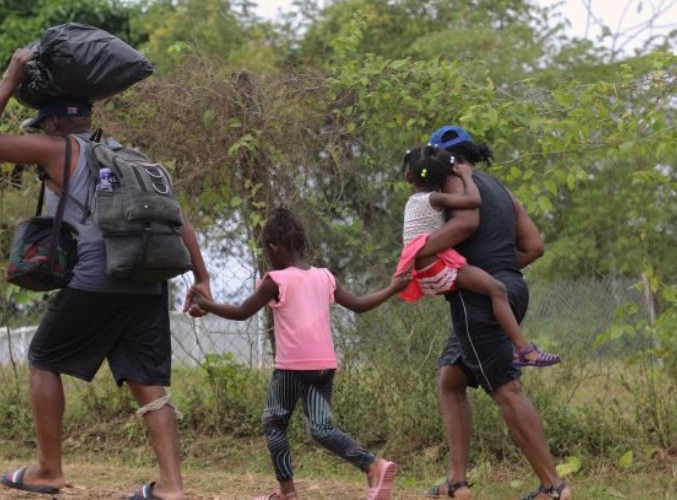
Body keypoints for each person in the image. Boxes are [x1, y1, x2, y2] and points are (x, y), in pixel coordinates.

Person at [0, 48, 211, 500]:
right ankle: (171, 486)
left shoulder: (62, 149)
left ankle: (49, 469)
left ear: (55, 124)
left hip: (101, 276)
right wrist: (203, 279)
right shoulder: (132, 157)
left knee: (43, 358)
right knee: (147, 381)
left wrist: (9, 77)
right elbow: (179, 220)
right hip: (150, 280)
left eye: (42, 126)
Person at [188, 208, 407, 500]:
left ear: (273, 248)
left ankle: (287, 492)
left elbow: (242, 312)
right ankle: (374, 465)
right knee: (321, 428)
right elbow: (360, 304)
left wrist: (206, 303)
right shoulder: (324, 277)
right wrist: (393, 288)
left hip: (292, 367)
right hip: (324, 366)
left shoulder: (276, 280)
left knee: (274, 423)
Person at [417, 126, 571, 500]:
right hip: (511, 289)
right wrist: (499, 266)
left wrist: (417, 252)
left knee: (506, 388)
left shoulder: (455, 182)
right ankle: (457, 482)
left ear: (447, 159)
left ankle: (553, 487)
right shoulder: (501, 189)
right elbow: (535, 246)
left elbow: (466, 224)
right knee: (450, 378)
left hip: (479, 300)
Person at [397, 144, 560, 368]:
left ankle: (519, 349)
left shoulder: (414, 202)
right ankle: (524, 349)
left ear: (408, 177)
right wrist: (466, 177)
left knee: (450, 379)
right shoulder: (435, 198)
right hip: (435, 266)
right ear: (445, 175)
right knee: (497, 289)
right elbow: (473, 203)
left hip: (428, 267)